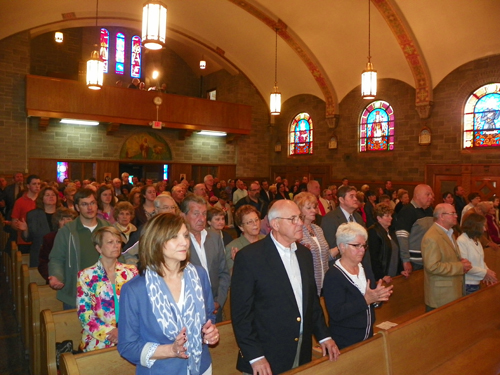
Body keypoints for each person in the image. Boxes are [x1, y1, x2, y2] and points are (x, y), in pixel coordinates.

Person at [231, 200, 340, 374]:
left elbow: (311, 301)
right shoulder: (250, 257)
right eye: (293, 219)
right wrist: (255, 356)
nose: (300, 223)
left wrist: (324, 335)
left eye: (300, 217)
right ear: (275, 224)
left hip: (301, 346)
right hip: (266, 353)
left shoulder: (304, 254)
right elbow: (241, 315)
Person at [118, 213, 219, 375]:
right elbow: (127, 346)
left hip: (201, 367)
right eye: (174, 237)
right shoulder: (135, 290)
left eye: (185, 235)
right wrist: (170, 350)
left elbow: (209, 317)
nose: (184, 242)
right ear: (156, 242)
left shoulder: (199, 275)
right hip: (161, 370)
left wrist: (208, 333)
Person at [323, 222, 393, 349]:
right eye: (356, 245)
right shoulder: (333, 275)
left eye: (363, 246)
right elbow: (337, 313)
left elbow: (371, 298)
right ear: (342, 247)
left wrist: (378, 298)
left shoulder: (365, 267)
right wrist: (366, 300)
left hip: (367, 335)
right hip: (345, 341)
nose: (362, 250)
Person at [77, 227, 138, 352]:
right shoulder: (86, 276)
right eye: (110, 242)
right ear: (98, 248)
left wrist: (125, 332)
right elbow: (85, 314)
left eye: (118, 242)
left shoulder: (131, 271)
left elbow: (140, 307)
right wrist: (110, 332)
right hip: (98, 340)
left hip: (130, 336)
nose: (116, 246)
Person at [49, 188, 110, 309]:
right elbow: (56, 258)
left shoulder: (107, 228)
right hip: (76, 293)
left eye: (92, 203)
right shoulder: (67, 231)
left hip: (104, 292)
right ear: (77, 207)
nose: (90, 208)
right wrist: (57, 275)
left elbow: (119, 255)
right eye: (84, 204)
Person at [181, 194, 230, 323]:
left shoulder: (214, 237)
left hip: (214, 306)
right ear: (183, 215)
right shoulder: (178, 241)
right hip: (188, 310)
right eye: (196, 213)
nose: (201, 218)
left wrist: (218, 301)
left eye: (204, 213)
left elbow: (223, 272)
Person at [421, 203, 472, 311]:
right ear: (441, 216)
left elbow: (448, 257)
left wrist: (461, 261)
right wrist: (460, 267)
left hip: (452, 290)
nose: (456, 216)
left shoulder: (449, 233)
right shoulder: (432, 237)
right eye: (452, 213)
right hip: (441, 295)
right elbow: (433, 266)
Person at [294, 192, 331, 296]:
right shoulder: (297, 231)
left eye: (314, 207)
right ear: (299, 210)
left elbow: (325, 256)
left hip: (325, 283)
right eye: (309, 208)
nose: (314, 211)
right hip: (308, 284)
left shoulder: (318, 229)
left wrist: (342, 247)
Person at [394, 184, 434, 275]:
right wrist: (405, 260)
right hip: (414, 262)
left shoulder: (430, 210)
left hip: (428, 260)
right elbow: (402, 237)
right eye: (428, 194)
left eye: (431, 195)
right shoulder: (407, 211)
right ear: (417, 196)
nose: (431, 197)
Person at [19, 186, 61, 267]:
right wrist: (25, 229)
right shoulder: (33, 215)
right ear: (42, 198)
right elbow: (28, 238)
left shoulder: (63, 214)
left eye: (53, 195)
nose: (51, 197)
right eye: (47, 195)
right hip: (40, 254)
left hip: (60, 254)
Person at [457, 213, 498, 294]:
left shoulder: (476, 240)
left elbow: (481, 261)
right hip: (467, 283)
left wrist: (488, 272)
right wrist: (485, 273)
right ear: (475, 226)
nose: (485, 229)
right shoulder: (462, 240)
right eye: (483, 226)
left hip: (476, 281)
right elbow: (466, 266)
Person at [38, 207, 78, 281]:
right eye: (62, 219)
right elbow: (43, 263)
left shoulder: (80, 237)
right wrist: (54, 277)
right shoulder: (49, 238)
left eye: (69, 219)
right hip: (56, 278)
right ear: (57, 222)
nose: (66, 222)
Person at [225, 205, 265, 274]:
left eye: (256, 220)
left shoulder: (266, 240)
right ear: (241, 227)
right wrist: (238, 263)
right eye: (250, 222)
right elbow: (231, 277)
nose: (255, 224)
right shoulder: (233, 247)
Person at [368, 203, 403, 282]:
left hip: (393, 274)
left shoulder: (391, 231)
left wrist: (401, 270)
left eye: (391, 215)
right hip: (381, 277)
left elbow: (397, 253)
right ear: (379, 218)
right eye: (387, 216)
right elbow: (373, 258)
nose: (391, 218)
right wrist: (381, 276)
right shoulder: (373, 232)